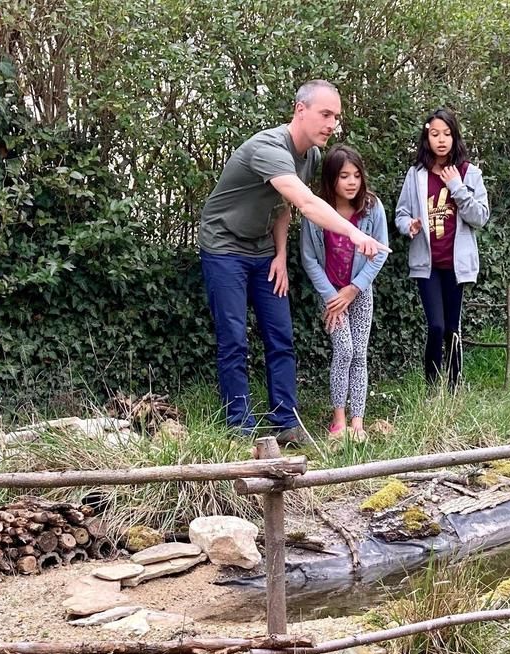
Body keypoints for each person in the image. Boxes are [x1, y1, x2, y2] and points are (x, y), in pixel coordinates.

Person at [198, 80, 386, 445]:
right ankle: (239, 426)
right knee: (234, 338)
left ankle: (286, 422)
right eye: (325, 114)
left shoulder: (312, 155)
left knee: (281, 336)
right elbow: (305, 203)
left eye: (336, 117)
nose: (332, 124)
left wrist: (280, 254)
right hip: (224, 247)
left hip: (264, 250)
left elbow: (281, 207)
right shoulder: (269, 147)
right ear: (301, 110)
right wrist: (355, 234)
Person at [394, 107, 490, 390]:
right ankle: (431, 388)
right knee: (435, 326)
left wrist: (457, 187)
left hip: (456, 266)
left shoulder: (469, 173)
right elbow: (400, 213)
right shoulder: (416, 175)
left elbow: (480, 217)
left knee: (452, 329)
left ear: (455, 137)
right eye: (435, 134)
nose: (441, 140)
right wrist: (407, 225)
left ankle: (454, 387)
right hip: (427, 264)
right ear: (427, 137)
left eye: (447, 134)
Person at [299, 145, 388, 442]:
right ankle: (338, 419)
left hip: (359, 292)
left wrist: (354, 289)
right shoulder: (316, 211)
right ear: (331, 179)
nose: (352, 182)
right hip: (331, 297)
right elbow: (309, 258)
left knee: (359, 354)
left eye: (357, 175)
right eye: (344, 176)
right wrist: (330, 296)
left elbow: (379, 252)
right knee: (344, 350)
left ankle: (358, 421)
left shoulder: (373, 207)